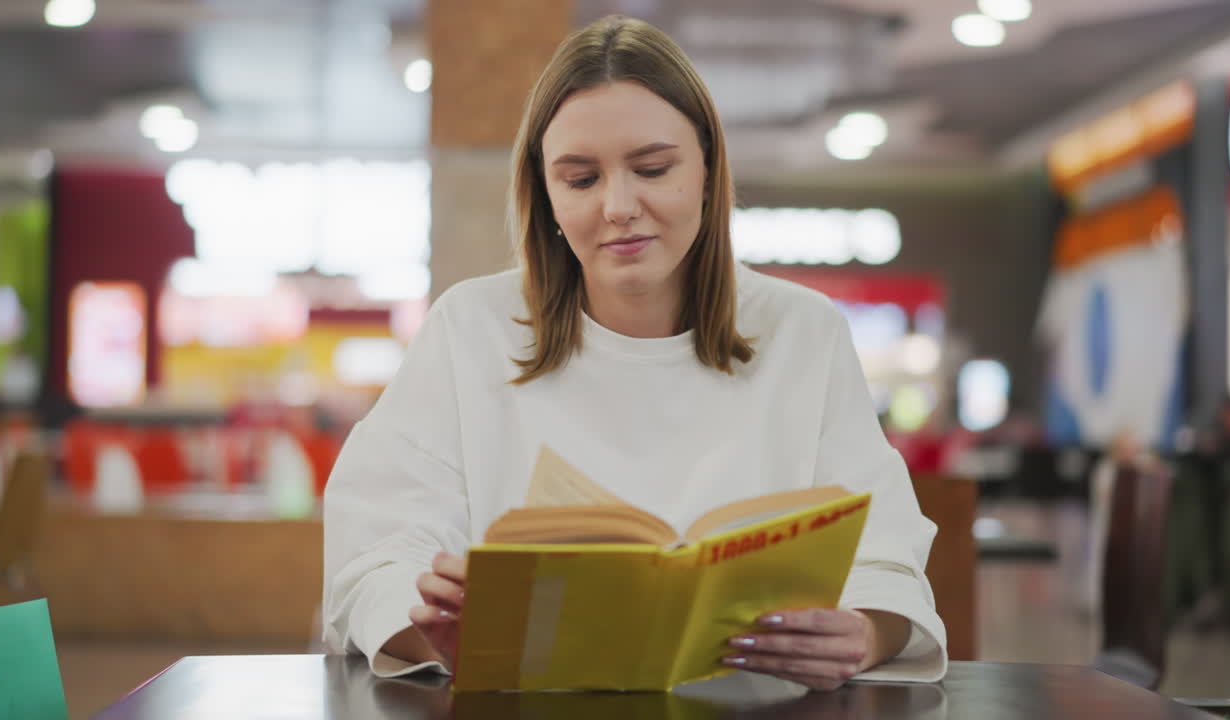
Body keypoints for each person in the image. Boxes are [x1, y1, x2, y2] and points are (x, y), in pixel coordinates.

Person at [322, 15, 947, 690]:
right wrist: (436, 628)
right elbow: (377, 550)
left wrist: (861, 633)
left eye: (652, 168)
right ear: (547, 197)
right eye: (581, 179)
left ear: (708, 169)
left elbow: (885, 560)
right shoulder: (470, 329)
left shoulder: (802, 332)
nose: (619, 206)